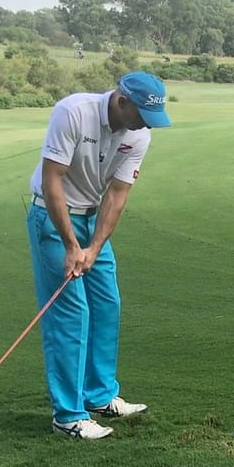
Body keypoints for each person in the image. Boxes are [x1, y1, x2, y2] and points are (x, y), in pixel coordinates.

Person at [27, 71, 171, 439]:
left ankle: (100, 395)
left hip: (93, 222)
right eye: (142, 115)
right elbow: (52, 180)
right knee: (71, 314)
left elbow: (117, 195)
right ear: (122, 102)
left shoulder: (140, 134)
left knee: (107, 305)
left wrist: (93, 247)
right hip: (53, 217)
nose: (145, 125)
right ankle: (68, 417)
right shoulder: (73, 112)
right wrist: (71, 246)